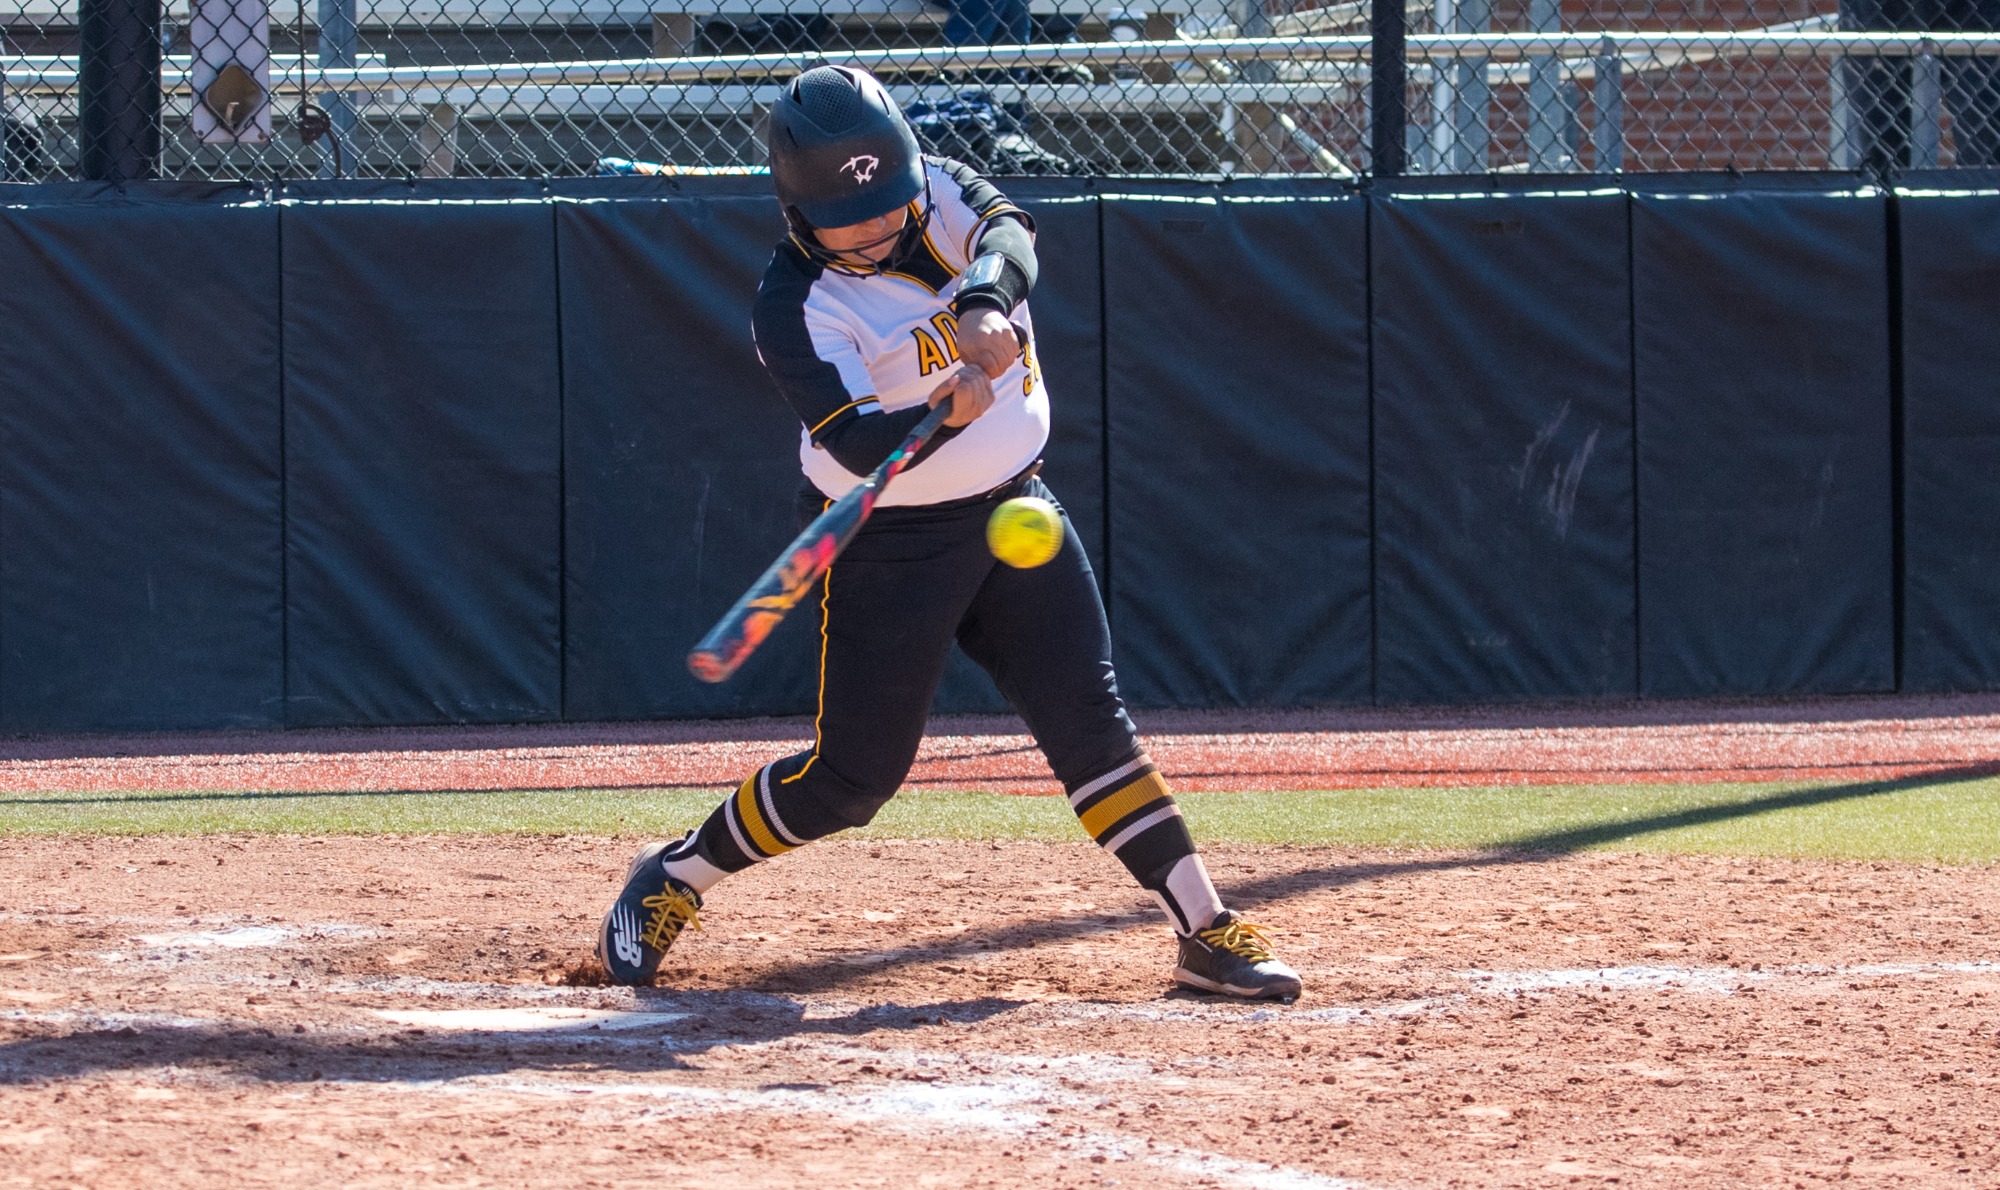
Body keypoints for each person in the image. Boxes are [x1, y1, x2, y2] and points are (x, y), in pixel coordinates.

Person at [598, 64, 1302, 1003]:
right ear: (801, 212)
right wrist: (948, 410)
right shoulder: (795, 306)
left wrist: (981, 305)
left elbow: (1009, 229)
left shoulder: (936, 190)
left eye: (892, 203)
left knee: (1092, 724)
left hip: (1017, 511)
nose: (883, 226)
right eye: (855, 219)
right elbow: (851, 445)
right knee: (850, 782)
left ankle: (1205, 931)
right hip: (891, 542)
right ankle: (677, 875)